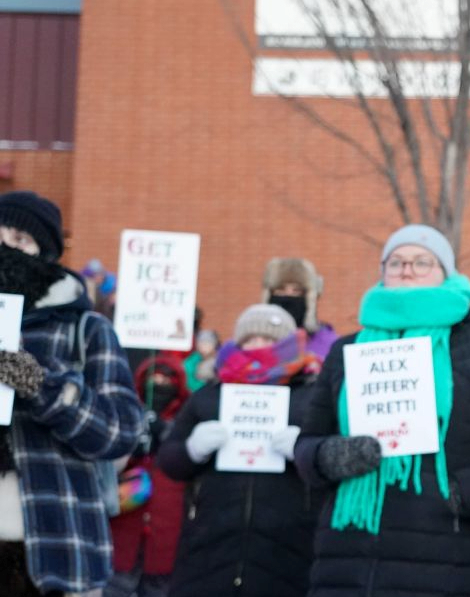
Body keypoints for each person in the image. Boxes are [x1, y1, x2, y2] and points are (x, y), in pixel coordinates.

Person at [293, 224, 470, 597]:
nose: (407, 270)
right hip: (350, 554)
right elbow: (308, 441)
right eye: (396, 262)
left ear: (446, 274)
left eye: (422, 262)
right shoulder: (348, 349)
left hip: (447, 548)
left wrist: (466, 493)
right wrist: (332, 456)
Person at [0, 190, 143, 597]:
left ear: (45, 255)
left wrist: (39, 385)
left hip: (52, 546)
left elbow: (120, 431)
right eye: (0, 236)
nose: (7, 248)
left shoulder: (85, 330)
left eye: (21, 240)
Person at [156, 304, 323, 597]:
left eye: (269, 340)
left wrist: (305, 449)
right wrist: (192, 449)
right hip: (211, 542)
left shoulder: (311, 396)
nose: (258, 347)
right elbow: (169, 461)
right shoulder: (209, 394)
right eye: (250, 339)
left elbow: (329, 460)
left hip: (289, 546)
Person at [106, 355, 192, 597]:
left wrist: (166, 434)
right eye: (154, 378)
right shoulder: (125, 414)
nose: (160, 384)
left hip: (167, 531)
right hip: (124, 526)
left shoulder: (187, 420)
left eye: (166, 379)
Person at [262, 257, 338, 360]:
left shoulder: (330, 344)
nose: (288, 296)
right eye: (280, 290)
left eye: (297, 291)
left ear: (310, 297)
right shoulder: (252, 342)